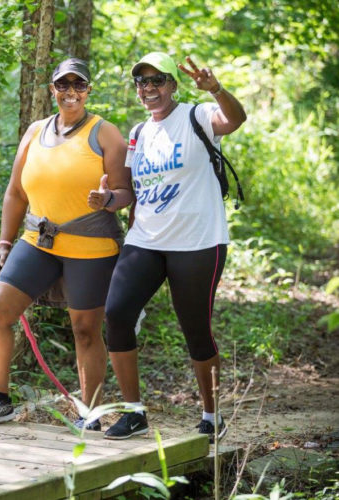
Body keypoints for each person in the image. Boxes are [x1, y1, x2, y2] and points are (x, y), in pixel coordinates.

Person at [0, 57, 133, 430]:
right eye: (63, 85)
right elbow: (14, 192)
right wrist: (5, 242)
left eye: (78, 85)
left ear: (89, 90)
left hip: (91, 243)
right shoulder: (35, 131)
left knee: (86, 329)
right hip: (38, 239)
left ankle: (89, 412)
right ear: (52, 90)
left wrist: (107, 200)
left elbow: (126, 193)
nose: (70, 92)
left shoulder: (106, 133)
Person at [103, 52, 247, 441]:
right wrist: (107, 200)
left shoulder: (196, 115)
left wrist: (215, 89)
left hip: (198, 242)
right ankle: (133, 412)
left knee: (196, 329)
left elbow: (235, 119)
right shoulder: (138, 133)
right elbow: (131, 194)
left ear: (173, 85)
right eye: (142, 83)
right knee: (116, 314)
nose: (149, 89)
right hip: (146, 240)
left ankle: (211, 413)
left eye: (157, 81)